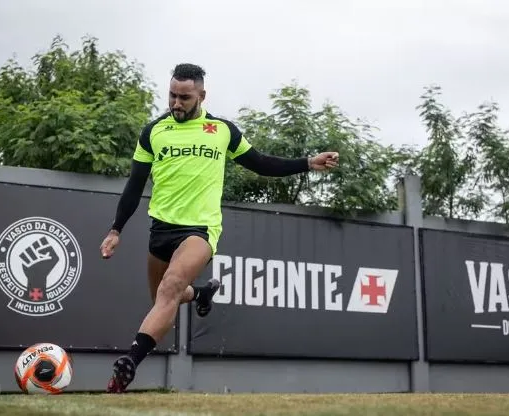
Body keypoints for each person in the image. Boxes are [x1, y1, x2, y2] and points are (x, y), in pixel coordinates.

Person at [100, 63, 339, 393]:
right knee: (161, 299)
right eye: (172, 95)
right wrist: (116, 229)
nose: (176, 103)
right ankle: (200, 292)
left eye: (184, 97)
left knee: (169, 289)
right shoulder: (153, 132)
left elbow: (260, 162)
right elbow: (134, 185)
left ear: (201, 95)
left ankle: (129, 363)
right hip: (161, 229)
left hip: (200, 230)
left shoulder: (222, 130)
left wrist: (307, 163)